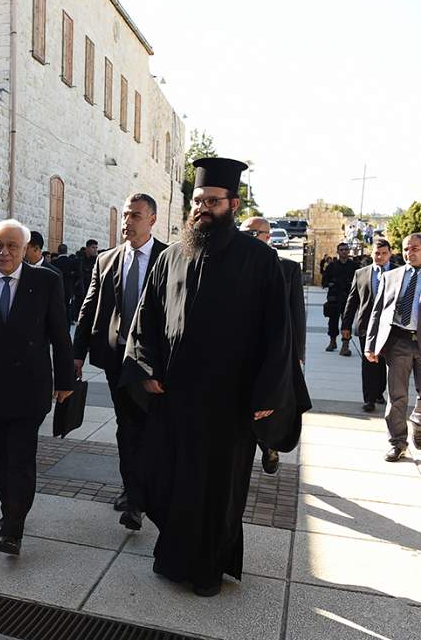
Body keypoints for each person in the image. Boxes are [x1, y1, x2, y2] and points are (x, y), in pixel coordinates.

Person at [121, 157, 309, 596]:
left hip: (230, 403)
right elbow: (146, 320)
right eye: (197, 201)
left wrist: (268, 394)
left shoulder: (260, 260)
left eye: (212, 201)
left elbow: (278, 334)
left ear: (233, 204)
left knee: (218, 491)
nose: (202, 209)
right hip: (175, 397)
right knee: (169, 479)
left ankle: (207, 570)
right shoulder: (171, 257)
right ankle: (174, 559)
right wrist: (145, 369)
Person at [0, 219, 74, 556]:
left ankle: (14, 528)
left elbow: (60, 334)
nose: (4, 252)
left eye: (12, 246)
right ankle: (10, 509)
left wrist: (66, 381)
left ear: (25, 249)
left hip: (31, 386)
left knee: (20, 459)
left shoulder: (46, 281)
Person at [73, 193, 167, 530]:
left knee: (152, 429)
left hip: (155, 363)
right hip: (117, 359)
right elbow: (89, 307)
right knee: (126, 427)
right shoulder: (106, 259)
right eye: (126, 214)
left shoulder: (169, 258)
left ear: (152, 219)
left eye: (136, 215)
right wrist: (77, 354)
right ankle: (133, 496)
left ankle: (147, 491)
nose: (128, 221)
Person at [239, 217, 307, 475]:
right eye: (242, 232)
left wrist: (297, 354)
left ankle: (268, 445)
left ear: (268, 236)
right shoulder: (236, 265)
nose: (246, 238)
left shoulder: (287, 268)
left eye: (252, 233)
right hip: (242, 350)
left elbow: (296, 313)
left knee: (269, 404)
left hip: (275, 349)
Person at [365, 233, 421, 461]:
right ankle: (397, 442)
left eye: (414, 249)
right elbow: (377, 311)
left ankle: (419, 421)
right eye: (405, 249)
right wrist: (371, 345)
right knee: (396, 396)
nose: (409, 253)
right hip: (398, 341)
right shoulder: (391, 276)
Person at [342, 238, 393, 413]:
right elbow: (352, 301)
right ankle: (369, 399)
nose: (380, 256)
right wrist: (346, 325)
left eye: (384, 253)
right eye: (377, 253)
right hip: (367, 325)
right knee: (369, 363)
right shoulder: (361, 273)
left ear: (390, 254)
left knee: (383, 362)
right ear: (371, 254)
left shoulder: (399, 272)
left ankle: (379, 392)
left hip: (390, 327)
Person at [322, 243, 359, 354]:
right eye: (341, 250)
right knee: (333, 321)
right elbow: (324, 281)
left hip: (349, 298)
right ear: (338, 251)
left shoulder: (354, 266)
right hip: (334, 298)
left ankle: (345, 345)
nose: (344, 251)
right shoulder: (332, 266)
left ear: (349, 251)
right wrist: (331, 284)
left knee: (347, 322)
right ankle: (332, 341)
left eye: (346, 249)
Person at [51, 244, 82, 325]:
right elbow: (78, 275)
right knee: (67, 309)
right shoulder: (72, 262)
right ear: (66, 251)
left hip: (56, 290)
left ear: (58, 251)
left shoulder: (54, 262)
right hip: (69, 289)